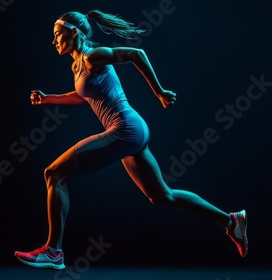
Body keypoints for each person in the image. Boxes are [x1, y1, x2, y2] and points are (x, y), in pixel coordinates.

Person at [13, 9, 248, 270]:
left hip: (124, 129)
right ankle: (231, 222)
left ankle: (54, 251)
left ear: (74, 32)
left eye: (57, 35)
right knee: (162, 196)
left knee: (54, 174)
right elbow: (83, 96)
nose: (53, 41)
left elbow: (137, 54)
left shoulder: (93, 56)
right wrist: (48, 99)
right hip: (131, 132)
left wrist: (159, 92)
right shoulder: (77, 64)